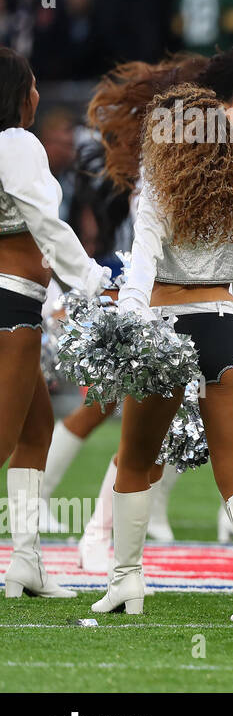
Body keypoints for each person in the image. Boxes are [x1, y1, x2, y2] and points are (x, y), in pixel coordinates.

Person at [95, 83, 233, 620]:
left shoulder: (159, 183)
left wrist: (128, 321)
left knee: (135, 461)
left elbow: (143, 260)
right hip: (226, 326)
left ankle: (127, 582)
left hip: (166, 327)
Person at [0, 48, 112, 599]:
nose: (39, 94)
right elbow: (49, 225)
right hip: (11, 304)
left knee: (36, 430)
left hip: (13, 300)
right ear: (18, 94)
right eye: (33, 84)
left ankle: (24, 561)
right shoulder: (18, 143)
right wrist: (92, 281)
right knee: (2, 438)